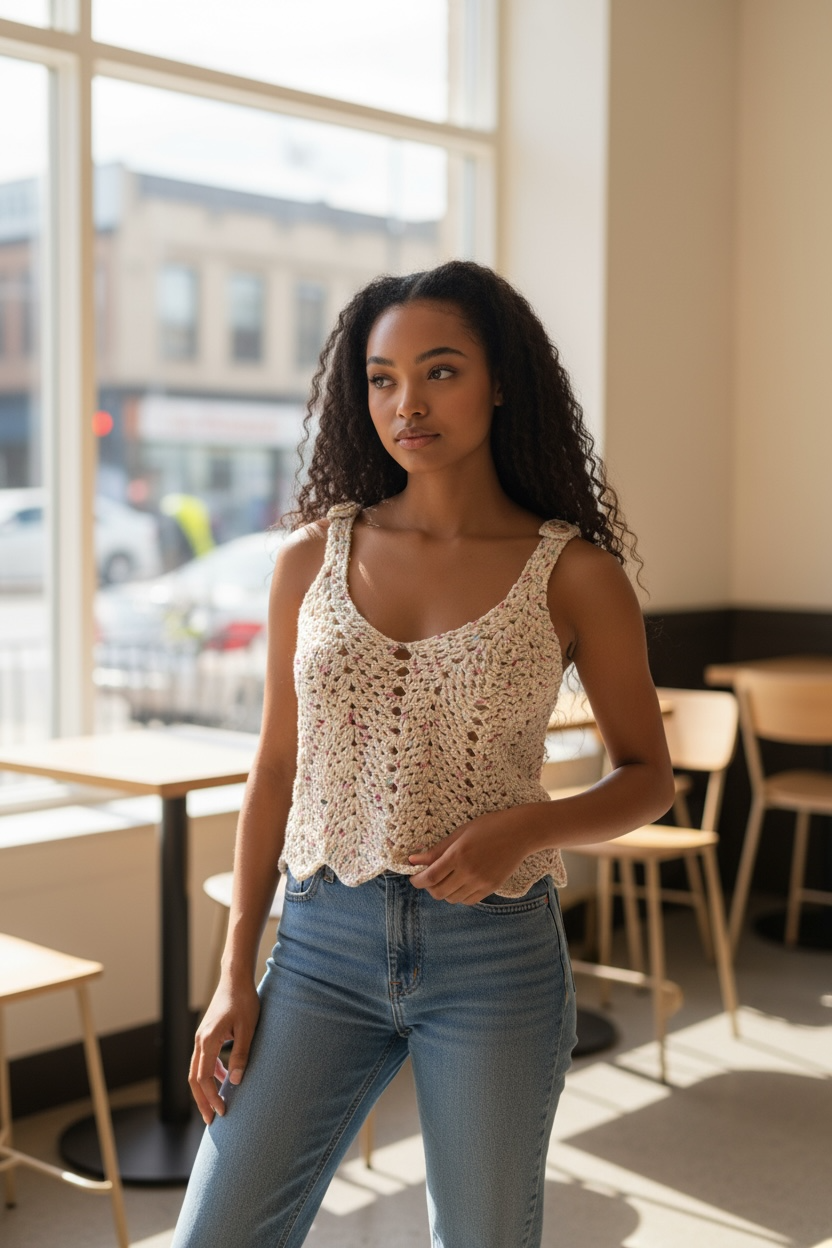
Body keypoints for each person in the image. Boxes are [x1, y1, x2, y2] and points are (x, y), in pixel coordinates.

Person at [172, 260, 674, 1248]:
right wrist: (234, 973)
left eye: (440, 371)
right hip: (319, 948)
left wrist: (526, 828)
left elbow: (648, 777)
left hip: (495, 957)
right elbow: (274, 770)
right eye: (382, 378)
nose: (407, 403)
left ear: (500, 382)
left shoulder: (575, 573)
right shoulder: (309, 559)